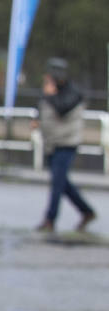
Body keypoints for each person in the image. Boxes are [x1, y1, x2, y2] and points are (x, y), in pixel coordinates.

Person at [35, 57, 96, 233]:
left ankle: (50, 219)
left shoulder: (72, 92)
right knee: (62, 183)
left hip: (66, 143)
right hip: (51, 143)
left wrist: (50, 94)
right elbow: (42, 109)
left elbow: (62, 108)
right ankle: (87, 211)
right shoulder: (50, 91)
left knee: (57, 183)